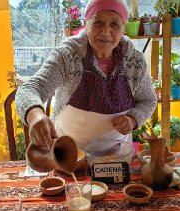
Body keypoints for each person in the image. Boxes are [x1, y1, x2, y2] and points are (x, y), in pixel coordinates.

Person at [16, 0, 157, 150]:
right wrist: (35, 116)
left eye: (114, 24)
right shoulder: (67, 55)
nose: (105, 31)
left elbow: (148, 100)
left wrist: (132, 119)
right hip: (68, 153)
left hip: (116, 155)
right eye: (98, 22)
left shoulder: (135, 61)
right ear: (86, 23)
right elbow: (31, 88)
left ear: (123, 28)